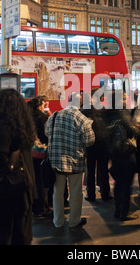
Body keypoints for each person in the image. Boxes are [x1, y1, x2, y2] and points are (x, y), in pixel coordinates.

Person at [0, 89, 37, 245]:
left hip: (7, 186)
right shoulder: (23, 123)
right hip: (23, 183)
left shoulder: (4, 125)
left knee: (3, 231)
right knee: (21, 230)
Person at [45, 92, 95, 228]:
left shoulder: (54, 116)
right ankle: (74, 221)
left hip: (56, 160)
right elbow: (90, 141)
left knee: (57, 192)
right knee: (76, 193)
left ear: (68, 101)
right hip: (75, 161)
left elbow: (46, 132)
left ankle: (58, 221)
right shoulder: (82, 119)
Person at [105, 90, 140, 220]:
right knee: (126, 183)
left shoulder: (107, 112)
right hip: (125, 151)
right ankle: (124, 212)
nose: (127, 101)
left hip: (114, 151)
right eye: (124, 99)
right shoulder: (121, 112)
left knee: (119, 182)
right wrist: (137, 128)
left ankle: (117, 209)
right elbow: (133, 130)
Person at [82, 89, 112, 202]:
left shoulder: (85, 110)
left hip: (90, 144)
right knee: (103, 169)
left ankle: (91, 195)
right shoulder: (105, 110)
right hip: (103, 144)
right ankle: (106, 193)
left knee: (90, 170)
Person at [27, 96, 50, 217]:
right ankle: (42, 207)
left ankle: (34, 205)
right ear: (39, 106)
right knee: (41, 180)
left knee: (33, 177)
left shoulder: (27, 117)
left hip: (30, 152)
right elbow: (47, 135)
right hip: (41, 151)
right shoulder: (43, 117)